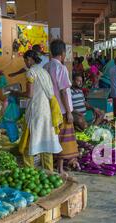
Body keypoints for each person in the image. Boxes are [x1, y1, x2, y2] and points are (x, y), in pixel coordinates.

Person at [12, 50, 62, 171]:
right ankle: (49, 173)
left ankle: (29, 171)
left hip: (35, 111)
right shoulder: (44, 72)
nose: (25, 63)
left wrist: (16, 93)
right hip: (47, 112)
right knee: (46, 143)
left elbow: (29, 94)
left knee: (28, 142)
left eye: (25, 60)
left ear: (29, 59)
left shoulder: (31, 73)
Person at [44, 39, 79, 174]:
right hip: (62, 110)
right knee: (63, 139)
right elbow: (63, 91)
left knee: (54, 137)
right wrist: (69, 112)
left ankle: (52, 166)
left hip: (50, 109)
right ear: (63, 53)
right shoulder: (61, 68)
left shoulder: (45, 67)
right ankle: (59, 168)